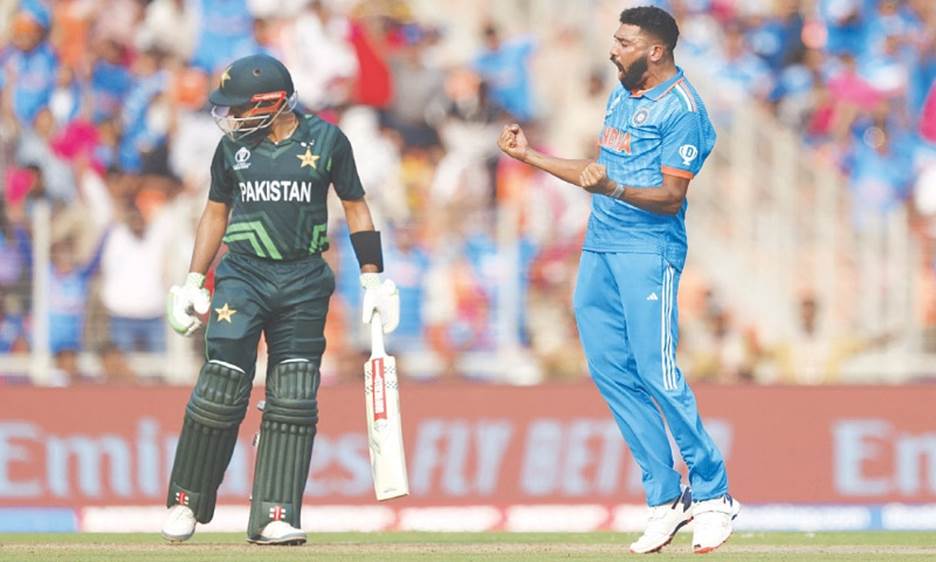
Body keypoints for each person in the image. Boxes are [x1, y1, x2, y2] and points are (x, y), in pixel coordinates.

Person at [497, 6, 738, 555]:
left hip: (648, 250)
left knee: (658, 370)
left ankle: (715, 495)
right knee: (610, 371)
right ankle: (664, 499)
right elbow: (598, 172)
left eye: (624, 42)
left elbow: (671, 196)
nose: (613, 48)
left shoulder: (684, 109)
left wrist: (612, 191)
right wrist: (529, 156)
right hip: (600, 247)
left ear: (655, 50)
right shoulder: (622, 94)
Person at [160, 54, 399, 545]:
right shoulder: (231, 150)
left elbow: (355, 205)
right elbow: (214, 214)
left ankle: (274, 513)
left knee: (293, 396)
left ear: (270, 103)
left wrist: (373, 279)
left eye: (239, 108)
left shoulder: (327, 140)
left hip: (305, 279)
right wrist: (192, 280)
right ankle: (186, 501)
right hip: (242, 276)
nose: (232, 117)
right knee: (221, 385)